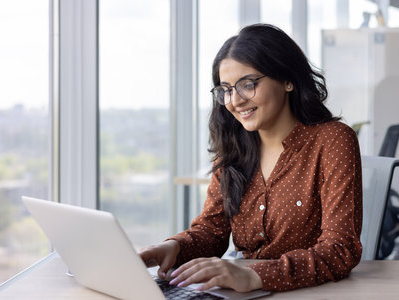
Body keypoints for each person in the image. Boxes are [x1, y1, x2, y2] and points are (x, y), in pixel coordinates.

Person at [139, 23, 362, 293]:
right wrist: (173, 247)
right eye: (226, 89)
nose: (235, 101)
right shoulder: (233, 148)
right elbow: (213, 231)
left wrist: (254, 276)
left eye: (247, 84)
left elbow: (340, 250)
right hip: (244, 293)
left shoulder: (332, 140)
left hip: (311, 292)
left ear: (287, 79)